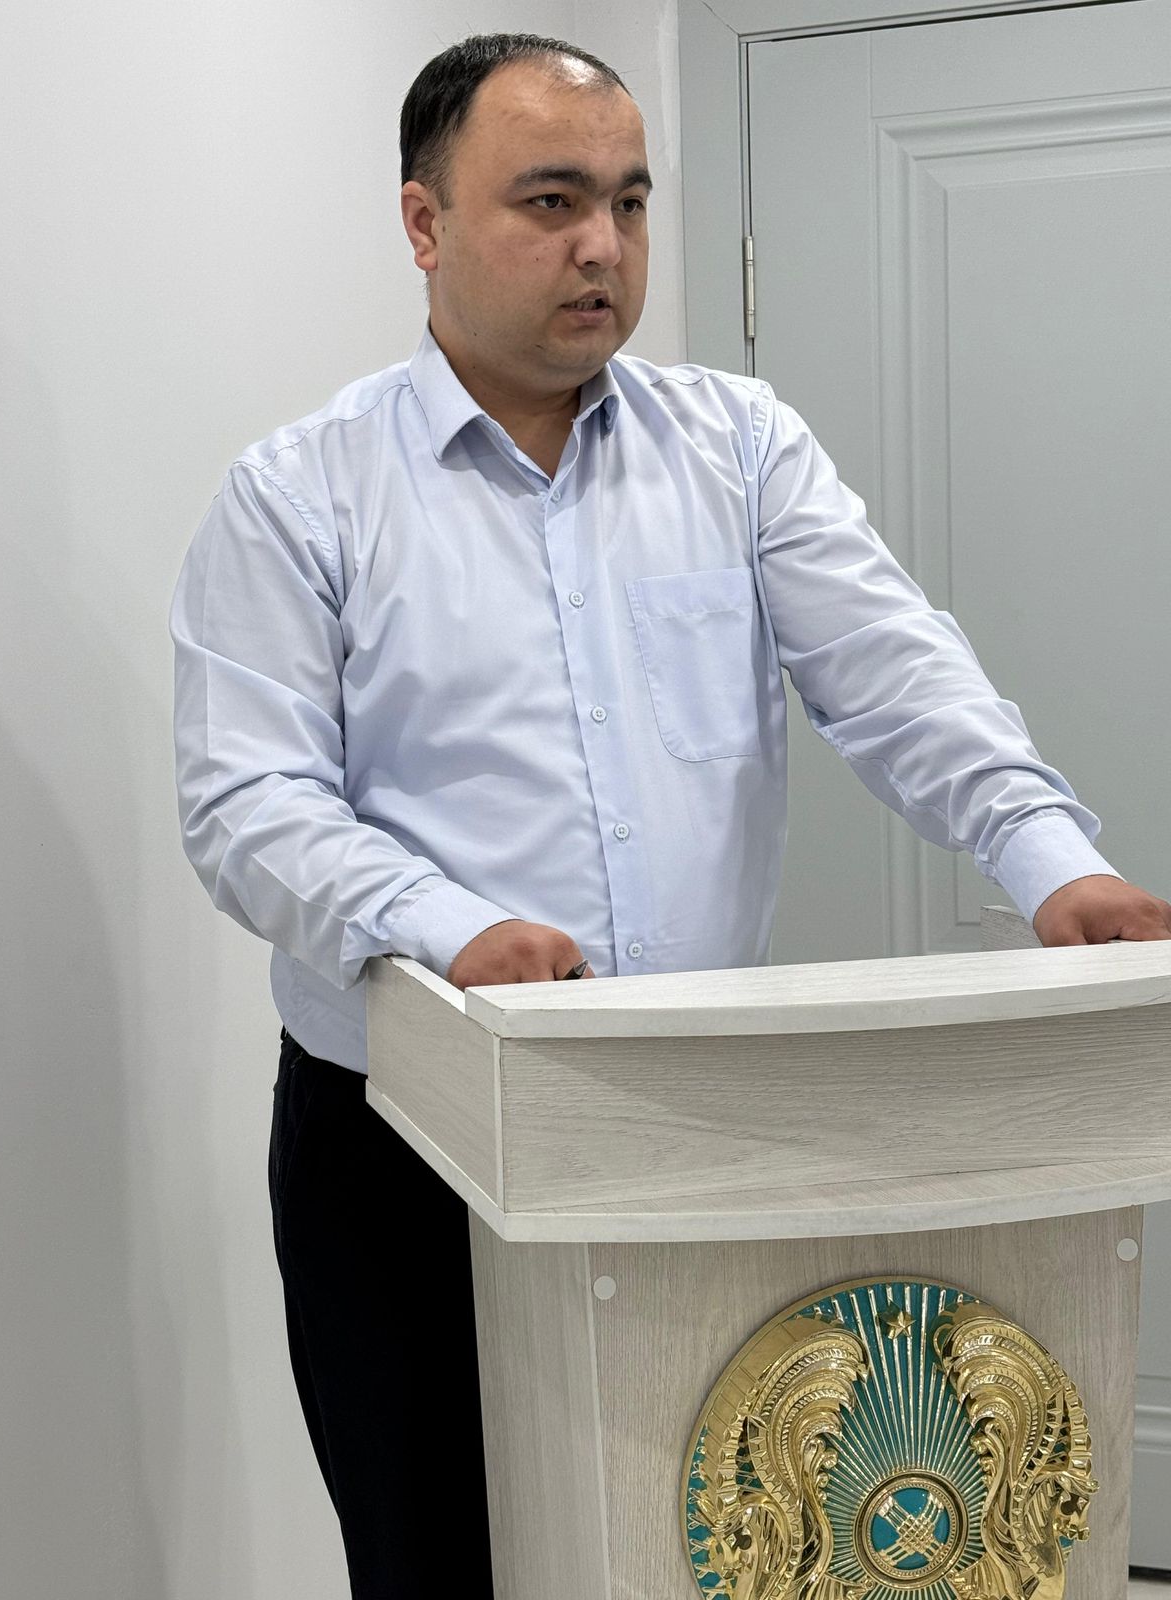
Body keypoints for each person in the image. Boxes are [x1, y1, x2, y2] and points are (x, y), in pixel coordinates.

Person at [169, 30, 1171, 1599]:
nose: (604, 246)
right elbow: (247, 800)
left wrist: (1054, 865)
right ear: (424, 222)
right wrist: (450, 931)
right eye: (552, 201)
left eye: (630, 203)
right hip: (408, 1140)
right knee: (437, 1557)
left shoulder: (739, 447)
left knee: (709, 1550)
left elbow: (901, 681)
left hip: (694, 1118)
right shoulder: (302, 494)